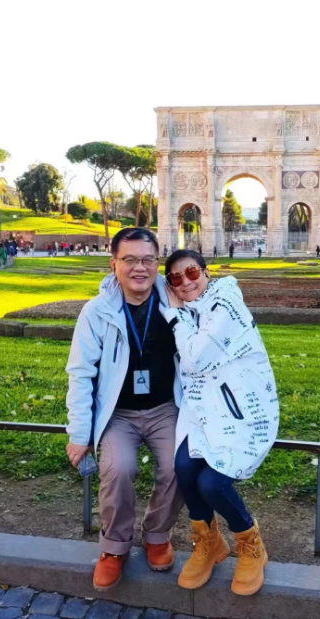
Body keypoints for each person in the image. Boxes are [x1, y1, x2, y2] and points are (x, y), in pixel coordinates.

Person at [66, 228, 184, 592]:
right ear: (113, 263)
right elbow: (81, 373)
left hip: (166, 408)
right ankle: (114, 547)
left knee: (179, 466)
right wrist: (79, 435)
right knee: (118, 469)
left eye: (148, 259)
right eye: (130, 259)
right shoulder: (96, 311)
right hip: (119, 413)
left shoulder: (176, 300)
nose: (140, 268)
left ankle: (157, 535)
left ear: (157, 263)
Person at [164, 250, 279, 596]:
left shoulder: (224, 302)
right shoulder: (191, 309)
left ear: (207, 272)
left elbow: (196, 358)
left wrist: (174, 315)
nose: (186, 282)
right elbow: (130, 276)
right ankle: (209, 542)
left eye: (191, 272)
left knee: (212, 484)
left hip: (243, 411)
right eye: (175, 278)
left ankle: (250, 542)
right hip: (202, 410)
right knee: (184, 468)